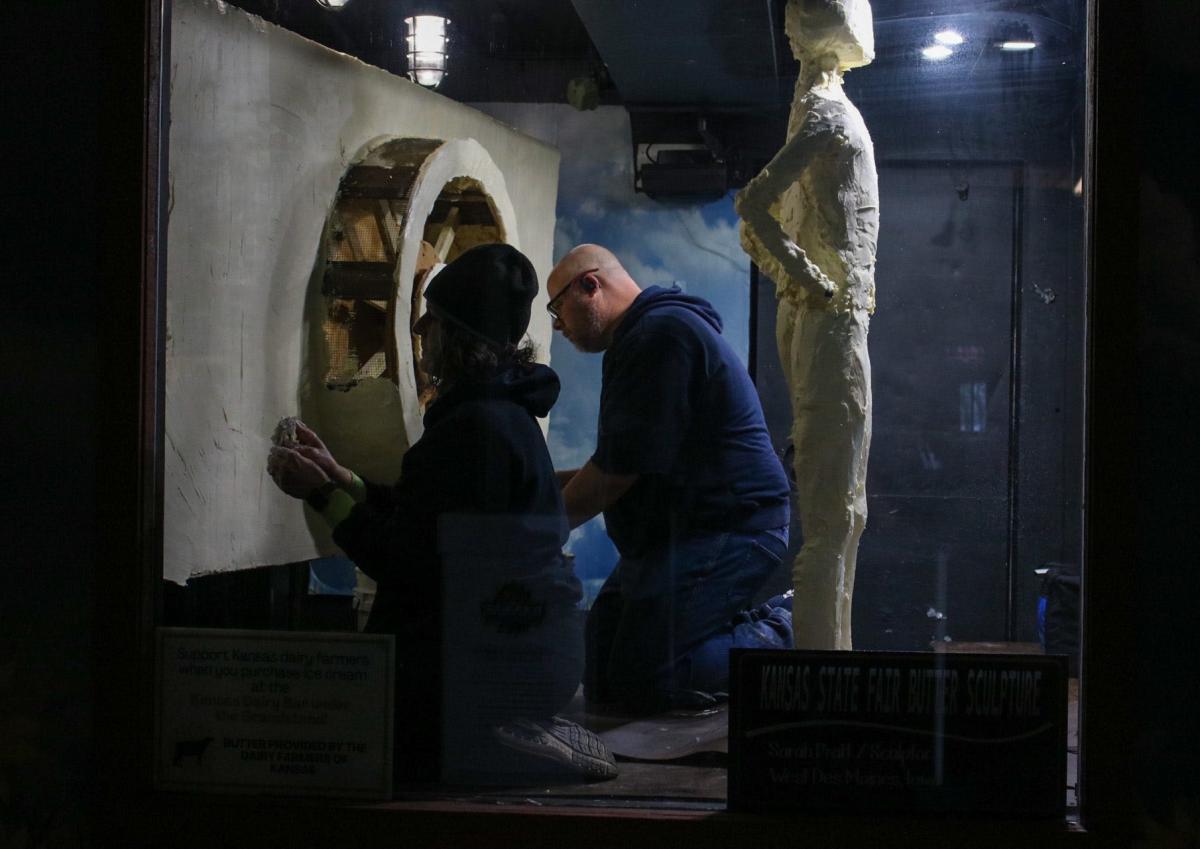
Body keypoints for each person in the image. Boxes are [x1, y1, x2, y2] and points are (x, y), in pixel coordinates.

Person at [267, 243, 617, 782]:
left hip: (506, 668)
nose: (420, 330)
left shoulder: (474, 431)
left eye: (431, 321)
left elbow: (410, 563)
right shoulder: (498, 417)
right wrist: (344, 479)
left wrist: (320, 496)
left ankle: (505, 742)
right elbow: (429, 518)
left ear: (453, 336)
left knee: (389, 734)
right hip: (534, 653)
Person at [546, 243, 794, 713]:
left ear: (590, 286)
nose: (558, 326)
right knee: (602, 676)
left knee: (647, 680)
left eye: (558, 309)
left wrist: (540, 529)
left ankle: (781, 628)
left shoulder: (661, 336)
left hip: (730, 529)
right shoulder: (645, 336)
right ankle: (713, 628)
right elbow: (626, 460)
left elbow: (615, 473)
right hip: (677, 536)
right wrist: (540, 484)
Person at [735, 0, 877, 650]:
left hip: (836, 319)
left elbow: (764, 211)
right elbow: (755, 206)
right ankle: (823, 667)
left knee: (842, 511)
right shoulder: (826, 113)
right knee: (833, 514)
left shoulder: (825, 110)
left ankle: (832, 663)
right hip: (831, 321)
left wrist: (803, 275)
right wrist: (810, 277)